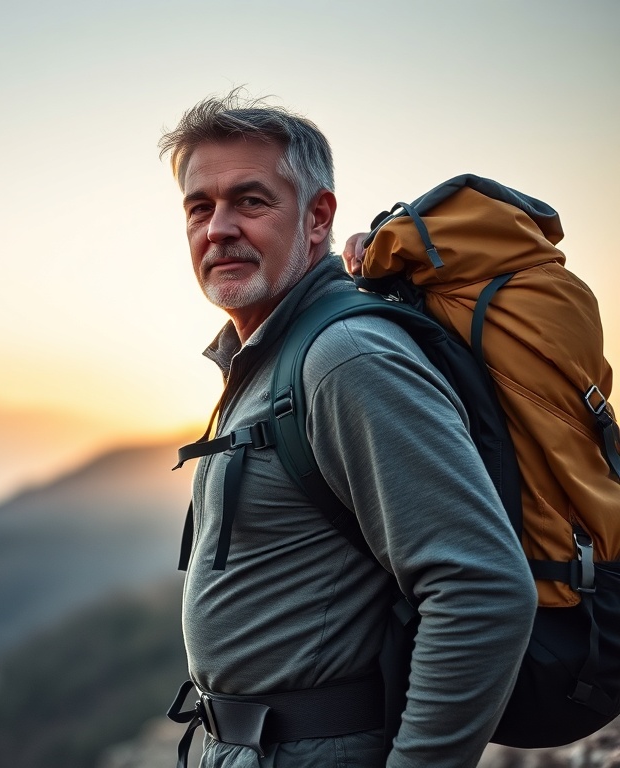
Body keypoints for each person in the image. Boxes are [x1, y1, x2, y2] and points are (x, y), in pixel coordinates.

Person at [160, 89, 538, 767]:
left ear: (316, 218)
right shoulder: (268, 357)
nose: (218, 228)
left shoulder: (345, 359)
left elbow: (482, 587)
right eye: (200, 206)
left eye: (250, 201)